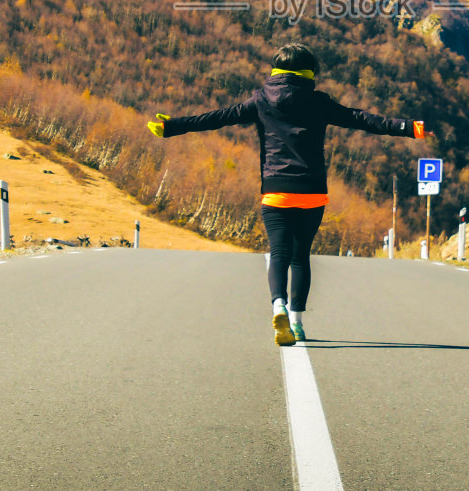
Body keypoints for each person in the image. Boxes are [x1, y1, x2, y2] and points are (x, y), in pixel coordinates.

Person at [148, 43, 429, 346]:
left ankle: (278, 304)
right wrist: (407, 128)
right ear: (310, 72)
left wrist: (170, 127)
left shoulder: (260, 101)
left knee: (279, 253)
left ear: (275, 70)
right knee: (300, 257)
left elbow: (216, 118)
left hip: (276, 190)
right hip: (311, 191)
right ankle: (296, 323)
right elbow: (360, 119)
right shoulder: (319, 102)